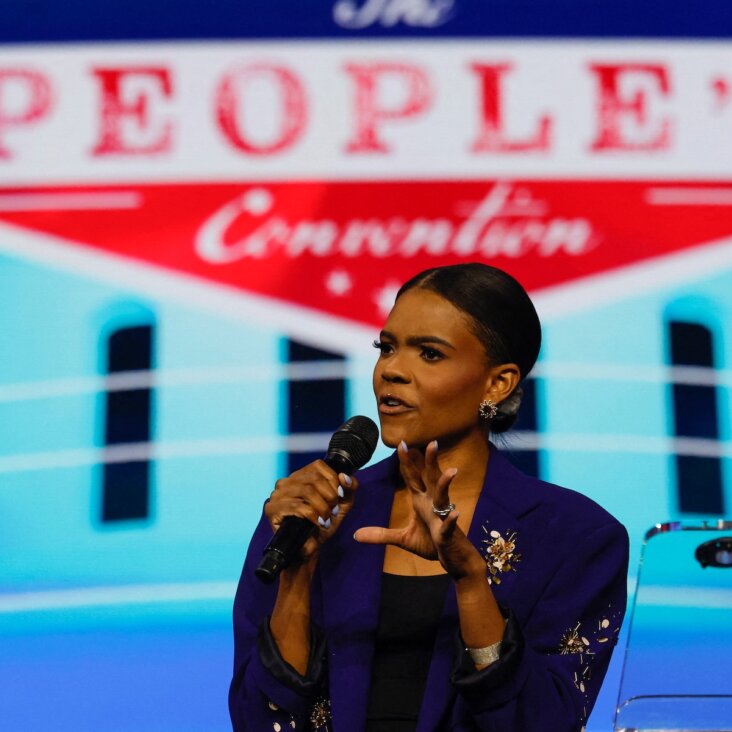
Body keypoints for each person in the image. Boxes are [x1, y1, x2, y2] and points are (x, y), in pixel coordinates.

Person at [229, 263, 629, 732]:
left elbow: (545, 722)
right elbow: (257, 721)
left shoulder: (575, 537)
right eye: (387, 348)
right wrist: (297, 575)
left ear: (496, 384)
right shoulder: (311, 515)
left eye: (430, 354)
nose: (392, 371)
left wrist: (470, 581)